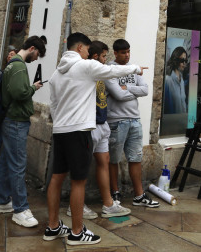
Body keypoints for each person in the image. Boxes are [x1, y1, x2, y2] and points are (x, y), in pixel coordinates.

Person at [44, 33, 144, 245]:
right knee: (79, 181)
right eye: (88, 50)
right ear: (80, 47)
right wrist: (135, 68)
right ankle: (77, 232)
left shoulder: (56, 74)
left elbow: (52, 104)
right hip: (79, 130)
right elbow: (111, 70)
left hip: (60, 130)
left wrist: (61, 121)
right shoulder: (84, 66)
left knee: (56, 177)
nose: (89, 54)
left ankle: (53, 226)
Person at [0, 36, 46, 228]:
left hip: (12, 119)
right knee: (17, 164)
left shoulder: (13, 64)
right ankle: (21, 209)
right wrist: (33, 87)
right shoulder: (19, 66)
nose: (36, 58)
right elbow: (19, 93)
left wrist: (30, 87)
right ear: (32, 48)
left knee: (8, 161)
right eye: (37, 53)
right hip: (16, 120)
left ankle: (1, 200)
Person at [76, 41, 131, 220]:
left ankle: (108, 204)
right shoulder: (87, 71)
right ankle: (77, 205)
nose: (106, 60)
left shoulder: (101, 73)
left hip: (102, 122)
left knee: (104, 161)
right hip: (89, 124)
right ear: (95, 57)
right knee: (82, 166)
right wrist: (135, 69)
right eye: (104, 56)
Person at [107, 39, 160, 209]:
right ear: (115, 53)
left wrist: (126, 90)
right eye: (123, 52)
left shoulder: (134, 69)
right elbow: (117, 95)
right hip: (117, 121)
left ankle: (139, 195)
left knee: (135, 158)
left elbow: (145, 90)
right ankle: (114, 192)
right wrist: (131, 91)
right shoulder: (109, 70)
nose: (127, 55)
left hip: (134, 120)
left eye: (128, 51)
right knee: (113, 159)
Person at [163, 46, 188, 114]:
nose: (184, 63)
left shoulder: (182, 80)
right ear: (176, 60)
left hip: (182, 121)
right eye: (182, 60)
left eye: (185, 60)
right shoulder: (168, 80)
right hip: (172, 122)